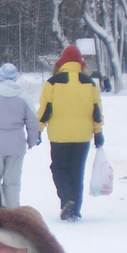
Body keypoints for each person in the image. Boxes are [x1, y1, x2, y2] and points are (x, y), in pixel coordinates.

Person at [37, 45, 104, 221]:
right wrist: (98, 132)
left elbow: (45, 111)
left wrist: (38, 129)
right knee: (77, 171)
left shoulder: (52, 83)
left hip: (59, 136)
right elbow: (96, 111)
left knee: (58, 169)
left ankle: (67, 200)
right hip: (83, 136)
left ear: (63, 62)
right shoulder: (90, 84)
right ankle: (75, 209)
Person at [0, 63, 40, 208]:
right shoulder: (23, 95)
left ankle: (0, 208)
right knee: (12, 182)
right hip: (16, 146)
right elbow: (32, 120)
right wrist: (32, 140)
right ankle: (13, 211)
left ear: (0, 76)